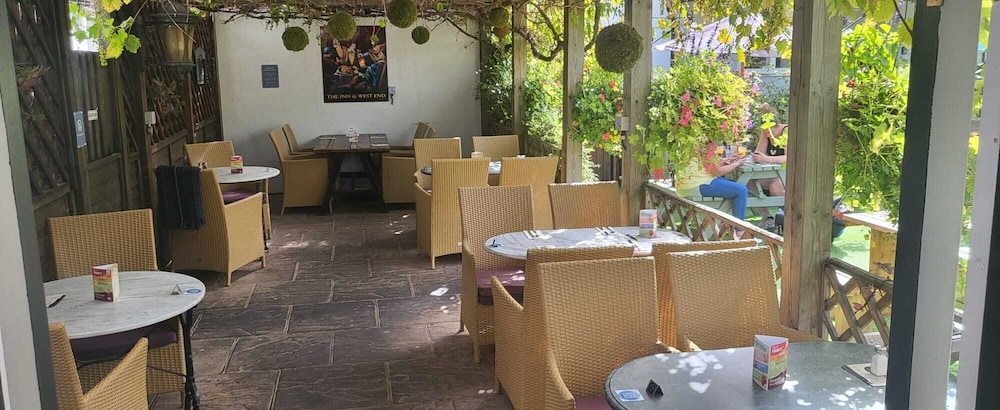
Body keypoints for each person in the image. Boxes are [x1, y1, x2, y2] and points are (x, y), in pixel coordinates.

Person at [675, 141, 749, 220]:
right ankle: (738, 227)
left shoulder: (690, 141)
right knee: (741, 190)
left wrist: (726, 161)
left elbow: (708, 167)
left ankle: (725, 223)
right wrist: (737, 163)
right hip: (695, 186)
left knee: (732, 185)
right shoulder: (706, 144)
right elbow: (718, 172)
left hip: (683, 187)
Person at [749, 104, 788, 230]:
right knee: (749, 182)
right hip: (773, 173)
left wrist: (766, 159)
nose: (767, 133)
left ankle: (788, 217)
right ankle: (767, 217)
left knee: (775, 187)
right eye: (765, 130)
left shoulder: (786, 132)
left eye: (768, 130)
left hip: (787, 173)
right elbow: (759, 152)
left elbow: (789, 158)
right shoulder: (766, 132)